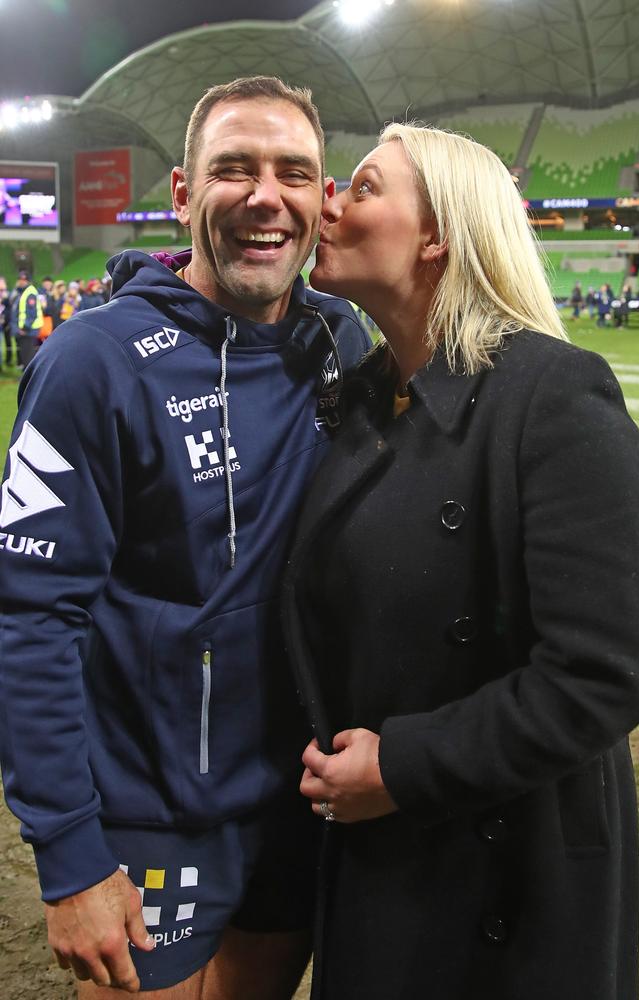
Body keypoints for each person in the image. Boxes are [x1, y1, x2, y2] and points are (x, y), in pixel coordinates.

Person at [0, 76, 370, 999]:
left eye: (293, 172)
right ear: (180, 192)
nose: (264, 196)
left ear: (322, 199)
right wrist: (72, 857)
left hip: (300, 798)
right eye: (232, 170)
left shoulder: (342, 345)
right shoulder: (92, 363)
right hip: (152, 816)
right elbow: (28, 618)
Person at [282, 123, 639, 1000]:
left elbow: (606, 671)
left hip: (509, 881)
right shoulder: (362, 400)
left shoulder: (555, 394)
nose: (329, 200)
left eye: (363, 187)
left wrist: (404, 767)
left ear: (438, 234)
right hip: (379, 852)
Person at [14, 269, 43, 367]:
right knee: (26, 355)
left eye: (24, 280)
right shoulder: (24, 291)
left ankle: (28, 378)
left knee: (28, 356)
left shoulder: (30, 292)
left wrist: (25, 328)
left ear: (28, 281)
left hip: (29, 330)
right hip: (26, 329)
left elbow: (32, 313)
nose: (21, 281)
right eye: (20, 279)